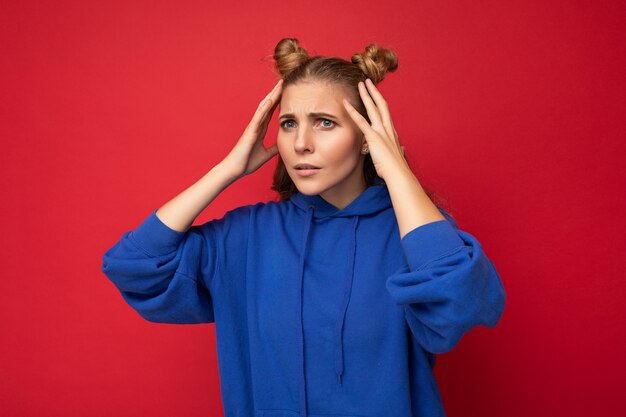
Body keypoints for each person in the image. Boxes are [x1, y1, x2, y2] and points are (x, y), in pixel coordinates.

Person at [101, 38, 506, 417]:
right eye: (290, 123)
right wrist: (227, 170)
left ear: (367, 137)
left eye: (325, 123)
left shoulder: (412, 234)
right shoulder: (248, 237)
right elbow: (135, 267)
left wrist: (398, 175)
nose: (300, 144)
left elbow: (458, 311)